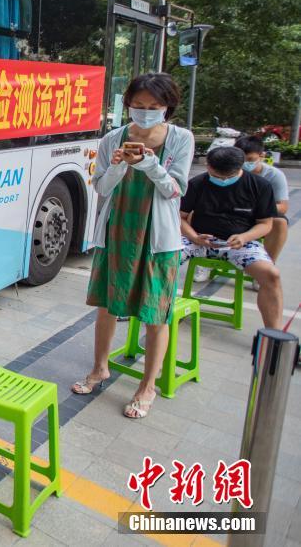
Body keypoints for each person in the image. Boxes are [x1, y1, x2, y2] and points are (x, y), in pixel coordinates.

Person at [72, 73, 194, 420]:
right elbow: (101, 187)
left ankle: (147, 386)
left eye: (153, 107)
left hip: (158, 238)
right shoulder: (114, 137)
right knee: (107, 305)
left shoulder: (181, 139)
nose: (144, 113)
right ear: (127, 104)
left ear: (167, 107)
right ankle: (99, 368)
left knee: (156, 314)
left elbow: (175, 190)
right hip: (119, 230)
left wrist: (149, 164)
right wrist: (118, 167)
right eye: (138, 106)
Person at [180, 146, 283, 329]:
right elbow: (179, 217)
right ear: (208, 166)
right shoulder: (197, 184)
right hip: (198, 240)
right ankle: (159, 312)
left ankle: (273, 334)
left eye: (228, 176)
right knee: (160, 259)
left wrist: (244, 237)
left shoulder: (259, 186)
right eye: (217, 176)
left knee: (271, 275)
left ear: (240, 167)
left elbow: (266, 224)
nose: (223, 180)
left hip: (241, 243)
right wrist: (194, 236)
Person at [235, 136, 290, 264]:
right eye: (241, 159)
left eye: (250, 159)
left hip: (260, 216)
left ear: (261, 155)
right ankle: (205, 257)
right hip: (231, 213)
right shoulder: (229, 170)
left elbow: (282, 207)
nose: (245, 164)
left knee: (280, 222)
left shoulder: (274, 175)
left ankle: (267, 264)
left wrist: (258, 208)